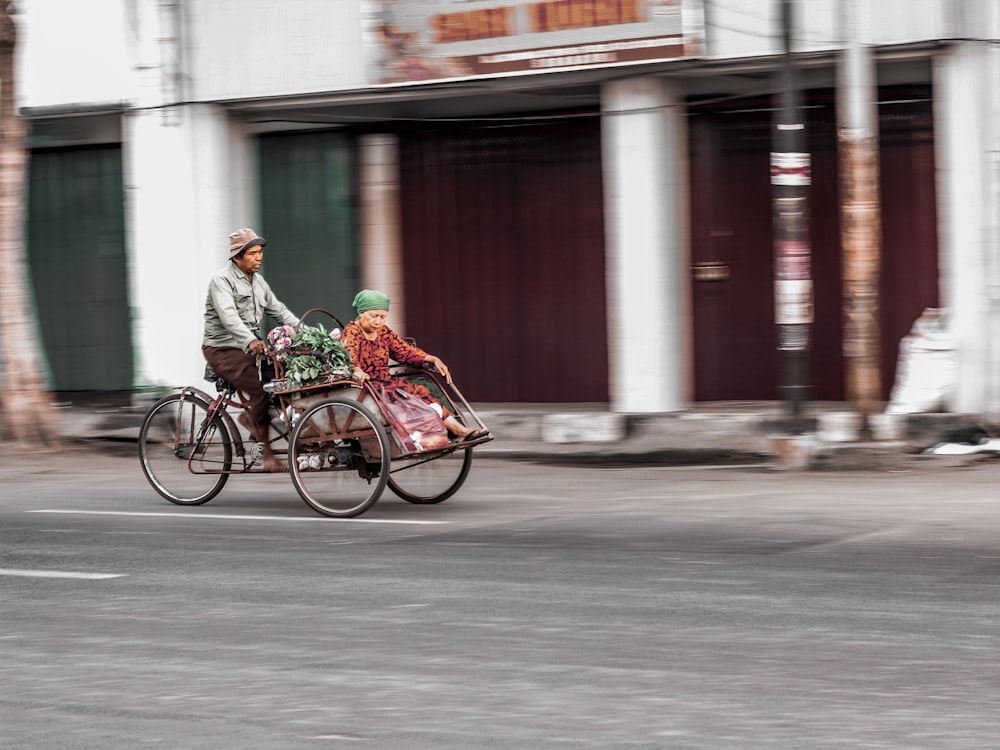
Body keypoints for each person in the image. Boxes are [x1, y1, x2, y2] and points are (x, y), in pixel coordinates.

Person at [202, 228, 300, 472]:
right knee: (257, 393)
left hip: (250, 348)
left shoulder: (259, 283)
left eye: (260, 253)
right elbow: (229, 318)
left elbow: (280, 311)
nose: (259, 257)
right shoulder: (221, 281)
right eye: (253, 253)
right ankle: (267, 454)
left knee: (285, 379)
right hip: (222, 348)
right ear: (237, 257)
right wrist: (250, 341)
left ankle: (262, 422)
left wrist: (307, 334)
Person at [340, 289, 487, 442]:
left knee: (422, 392)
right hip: (367, 386)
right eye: (373, 316)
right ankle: (426, 437)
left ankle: (459, 431)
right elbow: (349, 353)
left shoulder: (384, 332)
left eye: (383, 317)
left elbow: (404, 351)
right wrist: (357, 370)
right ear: (362, 313)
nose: (378, 322)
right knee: (405, 401)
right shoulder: (352, 331)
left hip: (387, 383)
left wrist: (431, 359)